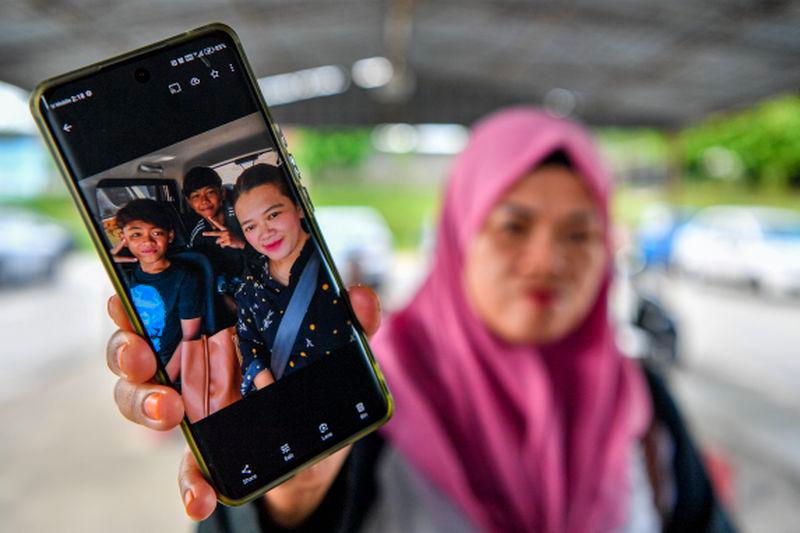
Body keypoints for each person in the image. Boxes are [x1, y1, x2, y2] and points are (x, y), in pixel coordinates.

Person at [105, 109, 734, 532]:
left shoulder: (640, 402)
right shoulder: (369, 390)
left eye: (580, 233)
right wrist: (289, 507)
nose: (548, 260)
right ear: (460, 236)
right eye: (513, 226)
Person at [232, 163, 355, 392]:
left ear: (298, 206)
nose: (264, 233)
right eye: (250, 227)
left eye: (273, 214)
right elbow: (248, 341)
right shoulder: (251, 282)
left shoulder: (335, 261)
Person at [112, 198, 203, 382]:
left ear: (169, 236)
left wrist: (166, 379)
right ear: (124, 239)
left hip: (173, 368)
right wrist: (110, 261)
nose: (147, 241)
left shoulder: (185, 278)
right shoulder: (122, 275)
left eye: (157, 233)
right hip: (140, 361)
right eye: (136, 235)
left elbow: (190, 336)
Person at [183, 166, 246, 327]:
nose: (203, 201)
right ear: (189, 203)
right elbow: (207, 272)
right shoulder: (197, 235)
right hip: (227, 292)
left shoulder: (242, 214)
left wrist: (240, 243)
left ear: (222, 193)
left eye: (209, 192)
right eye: (196, 196)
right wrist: (223, 297)